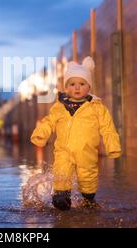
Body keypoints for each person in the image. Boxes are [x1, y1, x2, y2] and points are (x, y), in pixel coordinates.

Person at [30, 57, 121, 210]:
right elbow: (48, 121)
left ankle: (88, 199)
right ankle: (61, 197)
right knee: (61, 173)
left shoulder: (96, 108)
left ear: (89, 86)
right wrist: (41, 134)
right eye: (72, 84)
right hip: (63, 151)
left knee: (88, 177)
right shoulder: (59, 107)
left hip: (87, 151)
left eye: (82, 84)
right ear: (66, 87)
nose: (77, 88)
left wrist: (112, 145)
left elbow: (108, 128)